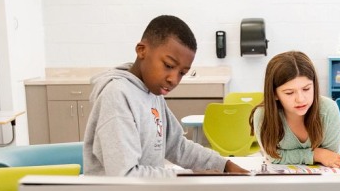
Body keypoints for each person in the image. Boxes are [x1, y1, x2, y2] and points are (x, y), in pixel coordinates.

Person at [82, 15, 248, 177]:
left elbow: (177, 146)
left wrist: (223, 165)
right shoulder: (117, 95)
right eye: (168, 65)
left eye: (182, 73)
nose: (173, 79)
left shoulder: (153, 92)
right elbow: (125, 175)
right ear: (142, 50)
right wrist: (190, 176)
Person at [251, 51, 340, 167]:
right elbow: (273, 157)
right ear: (274, 94)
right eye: (289, 93)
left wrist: (292, 155)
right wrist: (316, 154)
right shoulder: (263, 115)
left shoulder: (328, 109)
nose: (300, 99)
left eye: (306, 89)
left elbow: (330, 157)